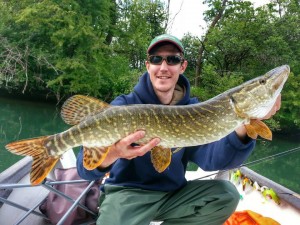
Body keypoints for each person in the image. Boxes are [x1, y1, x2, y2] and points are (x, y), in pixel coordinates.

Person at [77, 34, 281, 225]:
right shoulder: (124, 106)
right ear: (148, 66)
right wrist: (114, 152)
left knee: (226, 194)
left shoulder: (194, 110)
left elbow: (213, 161)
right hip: (127, 195)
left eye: (172, 60)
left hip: (175, 195)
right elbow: (84, 170)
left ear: (182, 66)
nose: (163, 67)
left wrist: (243, 128)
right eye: (157, 59)